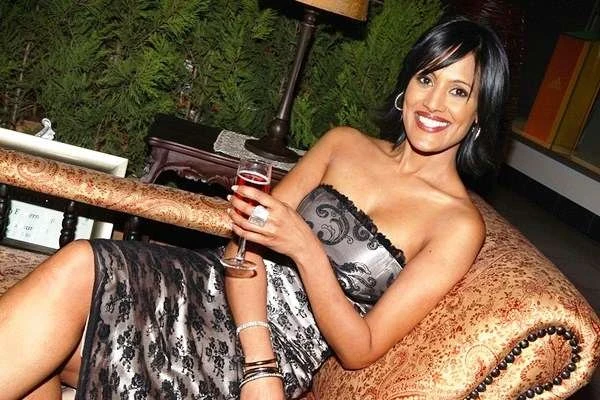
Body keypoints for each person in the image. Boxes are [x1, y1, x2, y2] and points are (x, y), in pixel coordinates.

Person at [0, 16, 509, 400]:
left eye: (458, 91)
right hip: (216, 292)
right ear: (406, 86)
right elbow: (241, 244)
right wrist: (255, 344)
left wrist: (305, 252)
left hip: (274, 352)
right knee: (78, 267)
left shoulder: (457, 224)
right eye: (426, 79)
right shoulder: (344, 144)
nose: (433, 103)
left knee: (47, 346)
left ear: (480, 111)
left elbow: (362, 347)